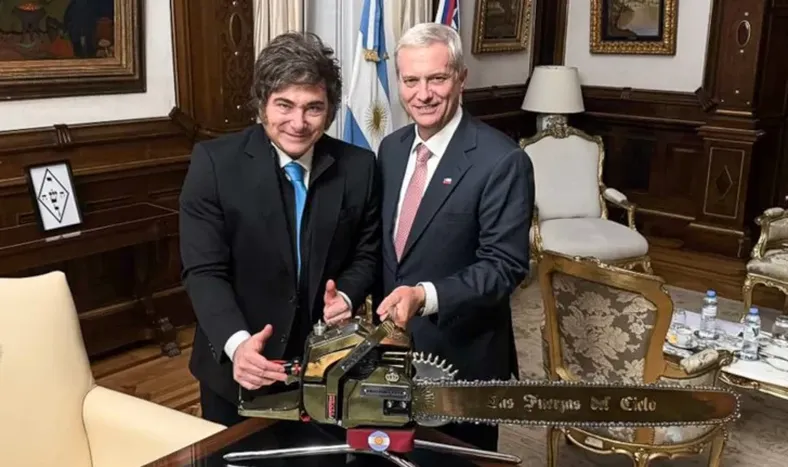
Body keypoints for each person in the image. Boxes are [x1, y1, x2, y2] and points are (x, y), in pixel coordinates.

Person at [179, 32, 380, 427]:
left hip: (328, 369)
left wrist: (347, 294)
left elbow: (367, 253)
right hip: (236, 371)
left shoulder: (360, 167)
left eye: (313, 108)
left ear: (330, 110)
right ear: (262, 104)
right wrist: (238, 345)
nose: (298, 123)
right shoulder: (214, 165)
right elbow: (203, 271)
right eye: (284, 105)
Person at [375, 23, 534, 451]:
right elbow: (385, 248)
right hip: (391, 353)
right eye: (411, 80)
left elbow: (504, 266)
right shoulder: (391, 149)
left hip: (463, 360)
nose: (423, 94)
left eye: (437, 78)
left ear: (461, 78)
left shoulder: (502, 161)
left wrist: (424, 296)